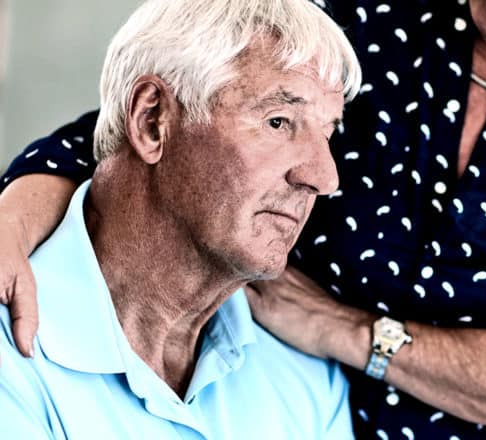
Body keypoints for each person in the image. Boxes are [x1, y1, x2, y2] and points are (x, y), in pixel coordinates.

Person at [0, 0, 486, 439]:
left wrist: (348, 332)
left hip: (290, 389)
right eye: (283, 124)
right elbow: (148, 123)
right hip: (257, 382)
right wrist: (9, 216)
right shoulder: (364, 18)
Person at [0, 0, 362, 438]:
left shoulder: (306, 380)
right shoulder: (11, 353)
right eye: (278, 121)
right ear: (152, 121)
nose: (324, 178)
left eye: (327, 133)